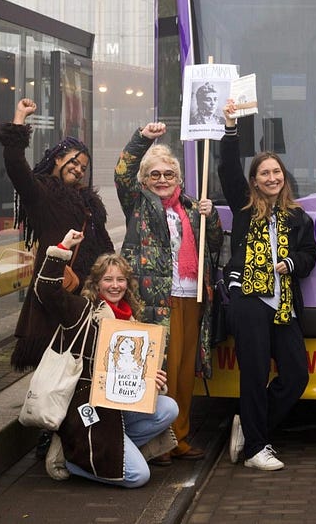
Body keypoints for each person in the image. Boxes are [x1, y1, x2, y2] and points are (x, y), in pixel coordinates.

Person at [34, 231, 179, 487]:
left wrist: (151, 379)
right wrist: (62, 247)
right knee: (138, 477)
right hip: (88, 410)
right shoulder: (82, 311)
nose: (115, 285)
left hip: (117, 411)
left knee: (168, 408)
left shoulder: (132, 320)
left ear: (127, 284)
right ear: (96, 283)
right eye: (108, 279)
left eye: (121, 279)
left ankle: (114, 448)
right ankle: (70, 461)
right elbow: (47, 292)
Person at [114, 122, 223, 462]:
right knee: (160, 373)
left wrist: (211, 217)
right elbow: (122, 173)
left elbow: (214, 245)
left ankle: (180, 439)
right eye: (155, 174)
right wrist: (142, 138)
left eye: (169, 174)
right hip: (154, 302)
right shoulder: (139, 203)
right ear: (145, 180)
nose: (162, 180)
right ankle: (157, 442)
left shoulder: (190, 207)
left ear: (179, 178)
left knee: (185, 372)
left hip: (192, 297)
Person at [220, 100, 316, 471]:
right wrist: (231, 129)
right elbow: (227, 168)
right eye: (264, 173)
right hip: (249, 300)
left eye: (276, 172)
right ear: (255, 180)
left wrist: (291, 263)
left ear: (284, 177)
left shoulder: (298, 217)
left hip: (284, 303)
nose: (272, 178)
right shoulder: (244, 207)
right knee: (255, 373)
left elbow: (309, 255)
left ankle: (250, 427)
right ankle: (255, 449)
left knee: (296, 376)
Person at [0, 98, 114, 372]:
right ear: (58, 159)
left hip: (87, 290)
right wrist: (20, 118)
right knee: (53, 366)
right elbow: (15, 165)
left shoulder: (89, 202)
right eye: (74, 162)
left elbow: (103, 242)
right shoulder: (42, 192)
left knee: (84, 361)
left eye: (84, 167)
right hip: (57, 288)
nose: (79, 169)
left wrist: (113, 273)